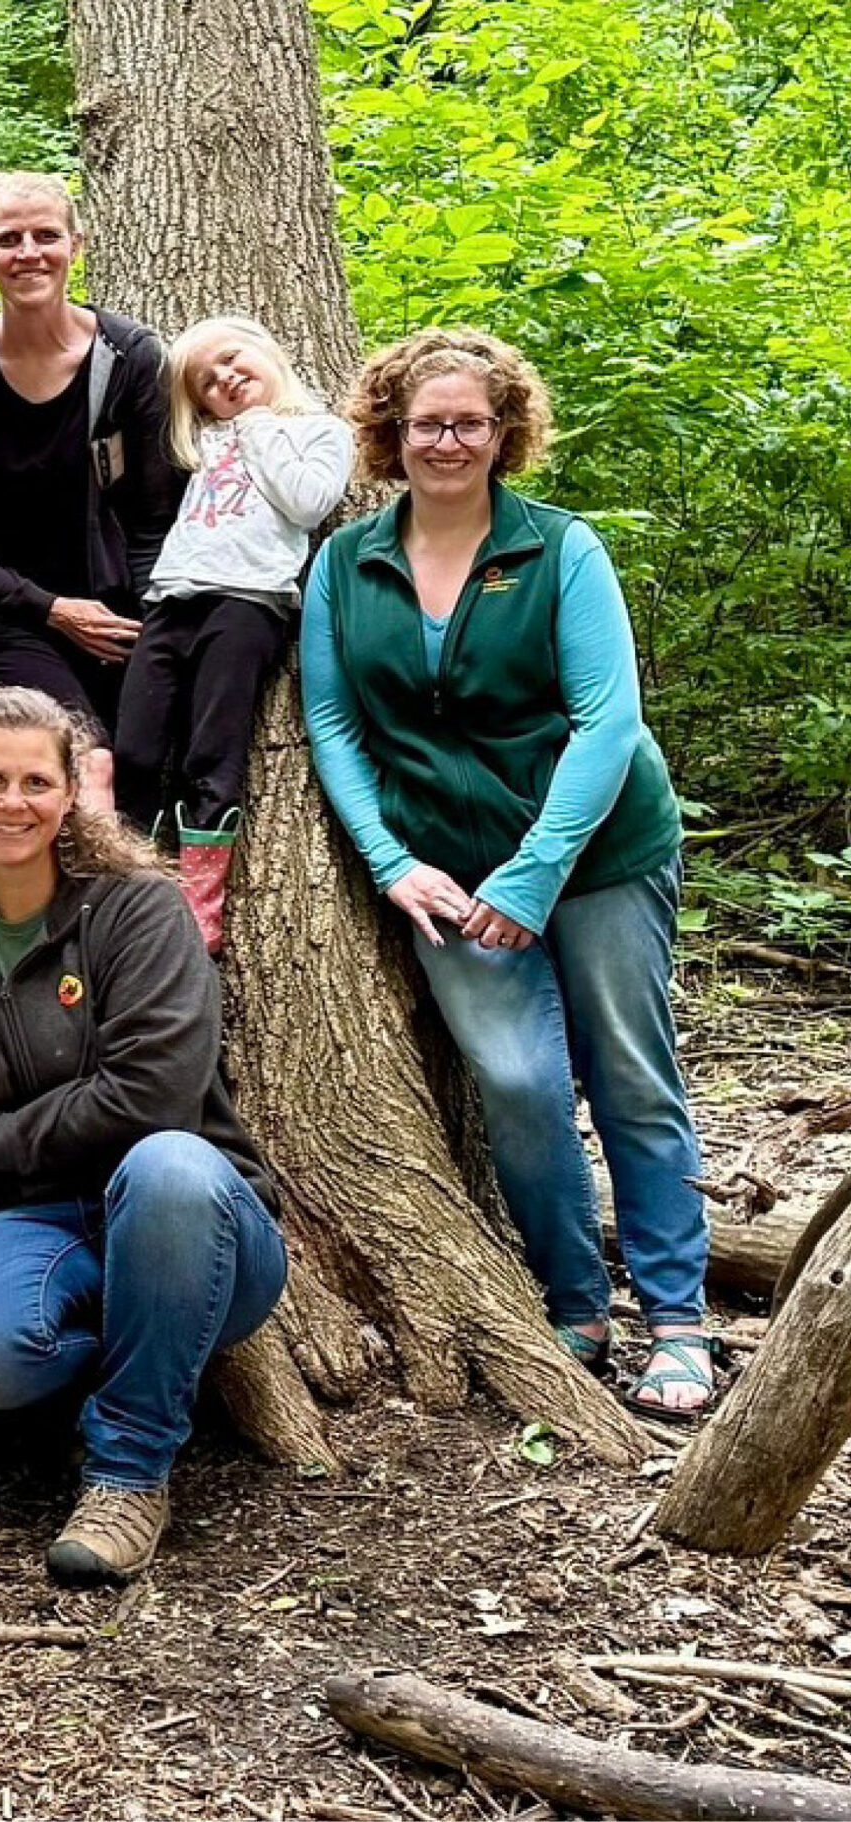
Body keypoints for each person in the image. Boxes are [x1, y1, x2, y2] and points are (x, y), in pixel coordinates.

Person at [302, 328, 714, 1418]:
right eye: (424, 423)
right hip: (444, 871)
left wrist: (531, 878)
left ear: (504, 432)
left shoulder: (561, 548)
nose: (447, 441)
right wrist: (390, 861)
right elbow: (331, 721)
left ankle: (676, 1321)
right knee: (522, 1084)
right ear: (389, 434)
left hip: (599, 853)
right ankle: (575, 1305)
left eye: (469, 422)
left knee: (629, 1073)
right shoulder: (347, 562)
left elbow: (608, 722)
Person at [0, 688, 285, 1586]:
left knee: (169, 1169)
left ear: (71, 793)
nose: (13, 802)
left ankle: (129, 1472)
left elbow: (153, 1093)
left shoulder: (140, 909)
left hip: (192, 1220)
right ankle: (142, 1350)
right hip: (33, 1222)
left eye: (36, 780)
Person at [115, 315, 352, 952]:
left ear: (270, 352)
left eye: (232, 359)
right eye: (205, 382)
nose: (224, 379)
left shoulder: (318, 432)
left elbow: (307, 503)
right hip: (171, 601)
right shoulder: (203, 444)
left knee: (209, 755)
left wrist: (258, 427)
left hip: (247, 602)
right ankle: (130, 884)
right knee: (135, 751)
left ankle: (199, 904)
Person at [0, 172, 183, 753]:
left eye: (46, 235)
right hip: (1, 614)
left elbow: (155, 514)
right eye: (8, 239)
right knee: (79, 753)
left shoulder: (128, 358)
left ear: (76, 244)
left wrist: (152, 634)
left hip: (116, 610)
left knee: (146, 759)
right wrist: (52, 610)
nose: (28, 254)